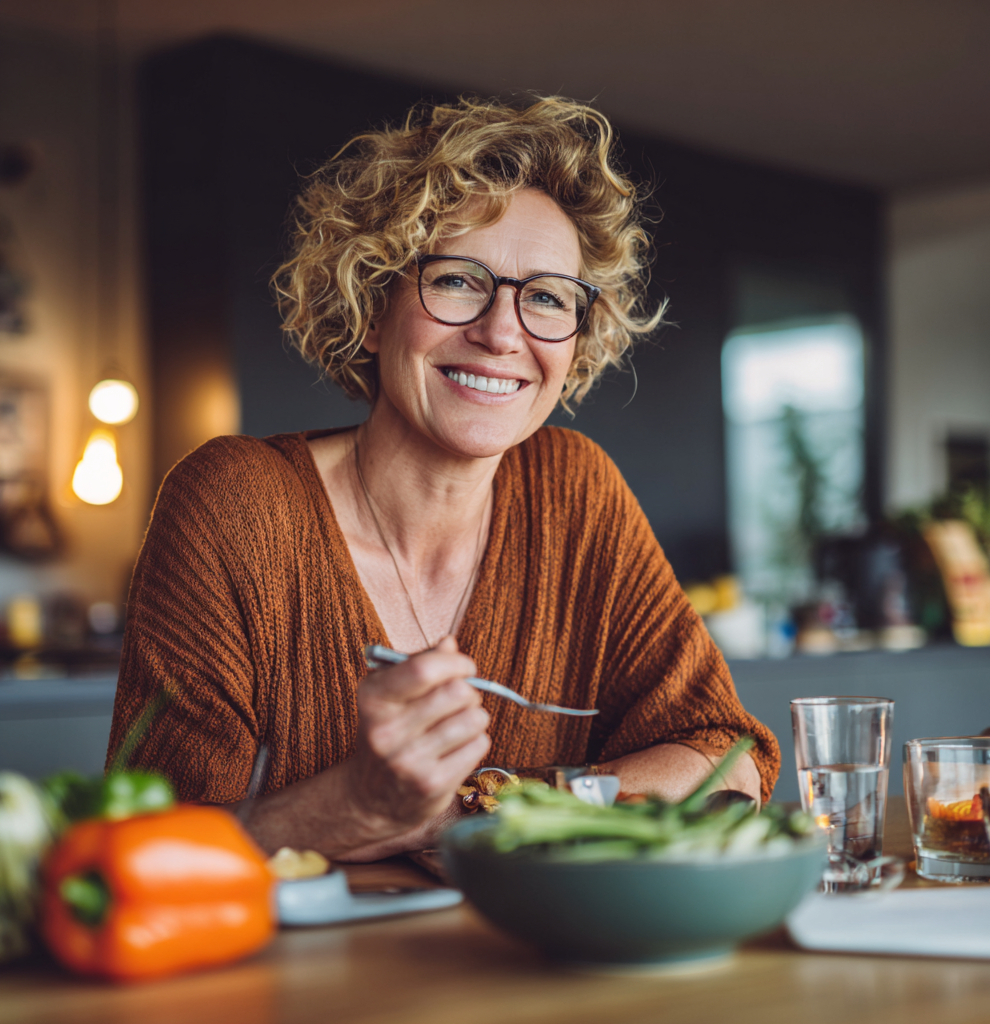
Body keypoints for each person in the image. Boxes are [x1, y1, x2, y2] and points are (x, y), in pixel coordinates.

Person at [108, 96, 779, 860]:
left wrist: (493, 812)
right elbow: (147, 854)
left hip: (542, 966)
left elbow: (727, 756)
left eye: (548, 299)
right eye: (458, 281)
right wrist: (359, 804)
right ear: (371, 305)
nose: (501, 333)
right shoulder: (235, 505)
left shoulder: (576, 489)